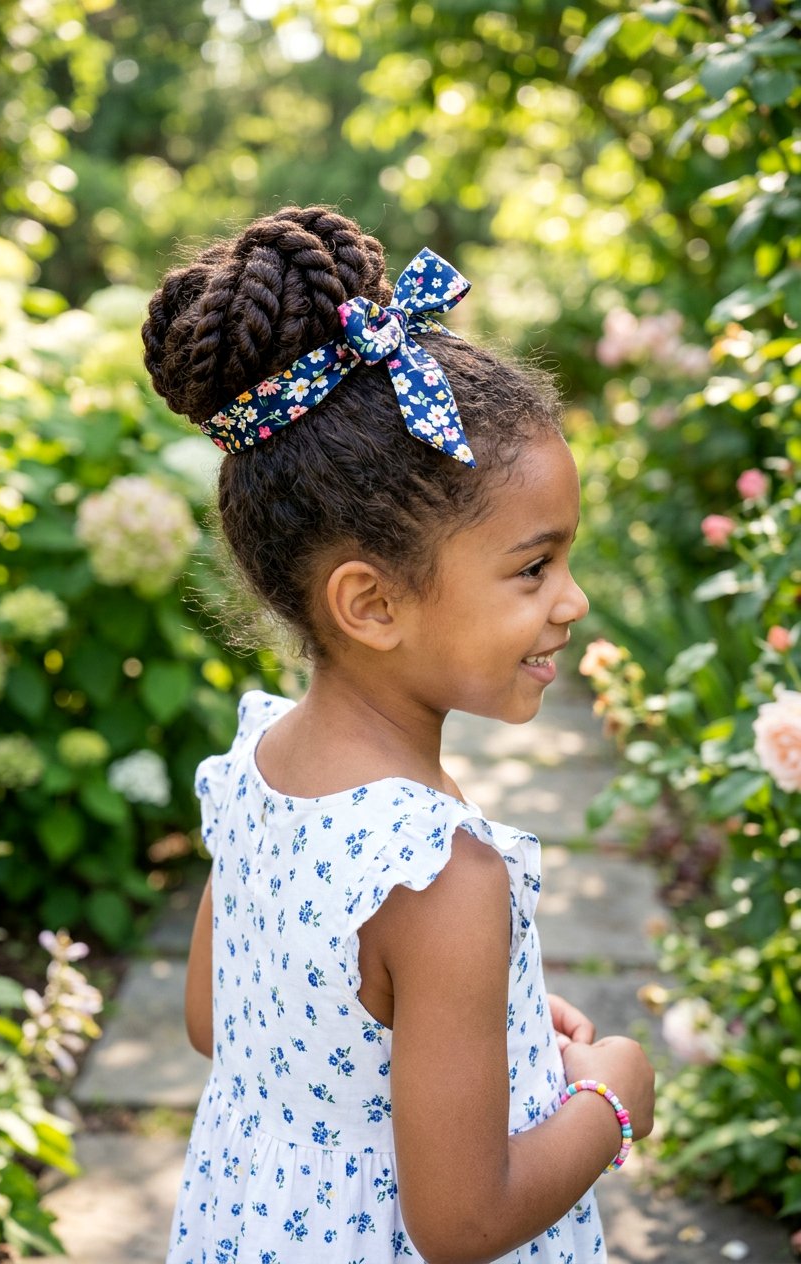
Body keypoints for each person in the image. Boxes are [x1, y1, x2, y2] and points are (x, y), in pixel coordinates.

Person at [142, 204, 655, 1264]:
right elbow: (462, 1221)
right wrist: (611, 1095)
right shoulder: (444, 876)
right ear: (370, 604)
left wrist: (490, 1026)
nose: (572, 601)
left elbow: (219, 1017)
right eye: (532, 567)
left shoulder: (256, 767)